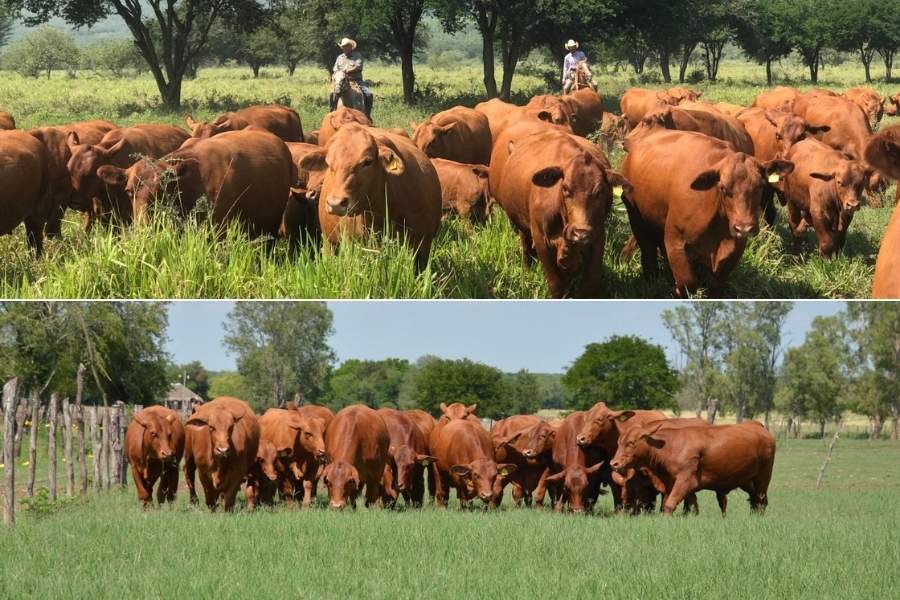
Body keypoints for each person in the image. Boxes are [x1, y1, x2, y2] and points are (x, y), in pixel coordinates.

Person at [330, 38, 373, 118]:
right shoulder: (339, 58)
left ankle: (368, 114)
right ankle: (332, 111)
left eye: (346, 46)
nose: (344, 48)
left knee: (368, 94)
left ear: (350, 46)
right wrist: (340, 73)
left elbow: (359, 66)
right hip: (341, 81)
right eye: (343, 46)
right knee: (332, 94)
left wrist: (347, 71)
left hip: (356, 80)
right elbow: (335, 68)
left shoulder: (357, 55)